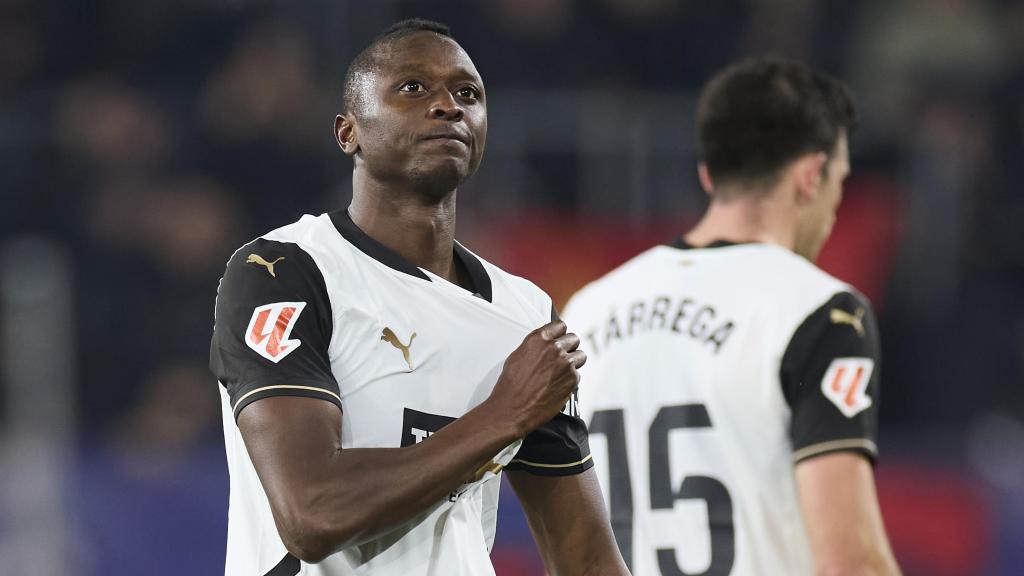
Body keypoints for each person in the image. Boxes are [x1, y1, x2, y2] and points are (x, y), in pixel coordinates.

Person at [209, 18, 628, 576]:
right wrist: (504, 414)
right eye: (413, 87)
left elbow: (586, 558)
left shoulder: (524, 313)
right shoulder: (284, 271)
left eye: (468, 94)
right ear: (348, 132)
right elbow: (311, 513)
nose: (449, 106)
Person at [562, 57, 901, 575]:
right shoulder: (820, 310)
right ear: (811, 176)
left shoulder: (586, 310)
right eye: (840, 181)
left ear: (708, 174)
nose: (836, 207)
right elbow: (850, 562)